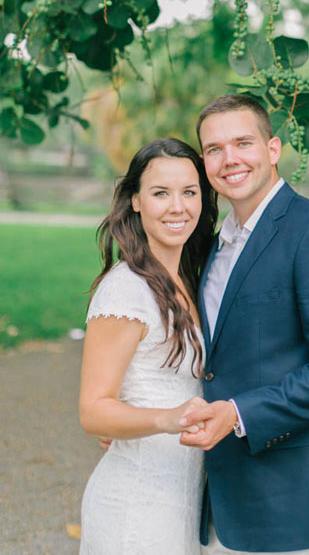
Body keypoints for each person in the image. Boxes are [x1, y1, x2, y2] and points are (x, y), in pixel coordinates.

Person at [177, 93, 309, 555]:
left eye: (242, 143)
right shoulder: (212, 244)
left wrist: (239, 413)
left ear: (273, 150)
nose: (229, 159)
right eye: (213, 149)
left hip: (295, 492)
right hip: (222, 489)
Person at [79, 138, 218, 555]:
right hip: (136, 507)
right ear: (136, 200)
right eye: (161, 193)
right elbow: (94, 410)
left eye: (189, 192)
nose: (178, 207)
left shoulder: (190, 281)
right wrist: (167, 419)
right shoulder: (126, 291)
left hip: (183, 500)